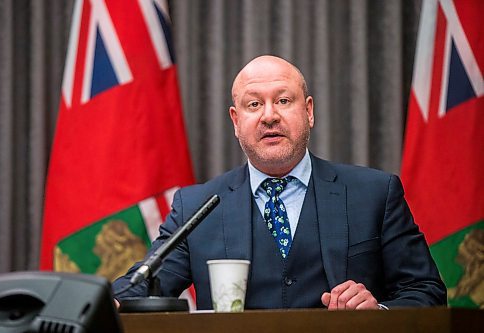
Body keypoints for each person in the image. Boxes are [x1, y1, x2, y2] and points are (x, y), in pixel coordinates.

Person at [112, 55, 446, 310]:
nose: (269, 115)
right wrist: (101, 303)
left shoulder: (374, 193)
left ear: (309, 111)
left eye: (284, 101)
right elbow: (144, 286)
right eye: (254, 104)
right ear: (235, 120)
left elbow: (426, 291)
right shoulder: (195, 207)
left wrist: (378, 310)